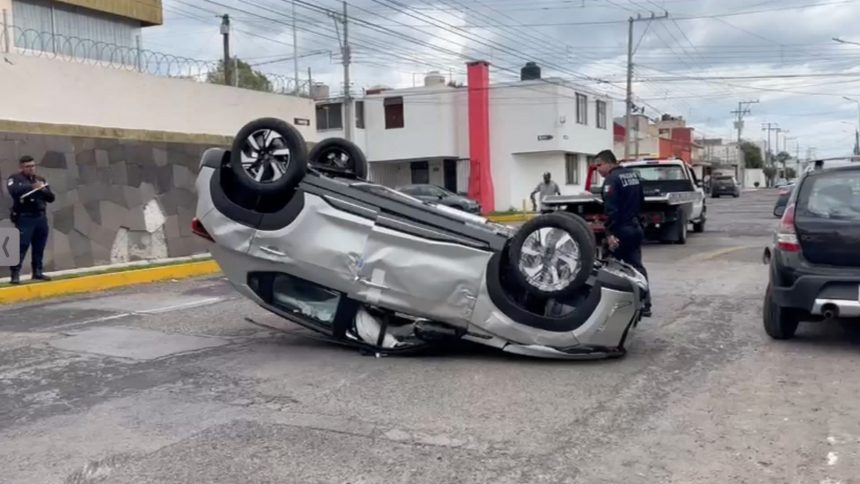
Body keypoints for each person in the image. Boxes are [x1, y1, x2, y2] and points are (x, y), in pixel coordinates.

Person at [593, 149, 651, 317]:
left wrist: (610, 233)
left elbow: (612, 210)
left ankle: (614, 308)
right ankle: (645, 303)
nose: (598, 170)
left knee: (612, 268)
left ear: (608, 163)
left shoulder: (611, 180)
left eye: (599, 165)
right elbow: (641, 201)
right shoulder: (633, 175)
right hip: (635, 227)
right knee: (636, 266)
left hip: (620, 231)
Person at [7, 155, 55, 284]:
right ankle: (15, 274)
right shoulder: (15, 179)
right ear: (21, 167)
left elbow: (51, 198)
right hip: (25, 217)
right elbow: (14, 191)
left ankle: (37, 272)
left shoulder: (40, 180)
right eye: (28, 167)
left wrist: (43, 190)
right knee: (20, 246)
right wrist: (31, 187)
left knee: (39, 245)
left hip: (40, 217)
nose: (31, 169)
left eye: (33, 166)